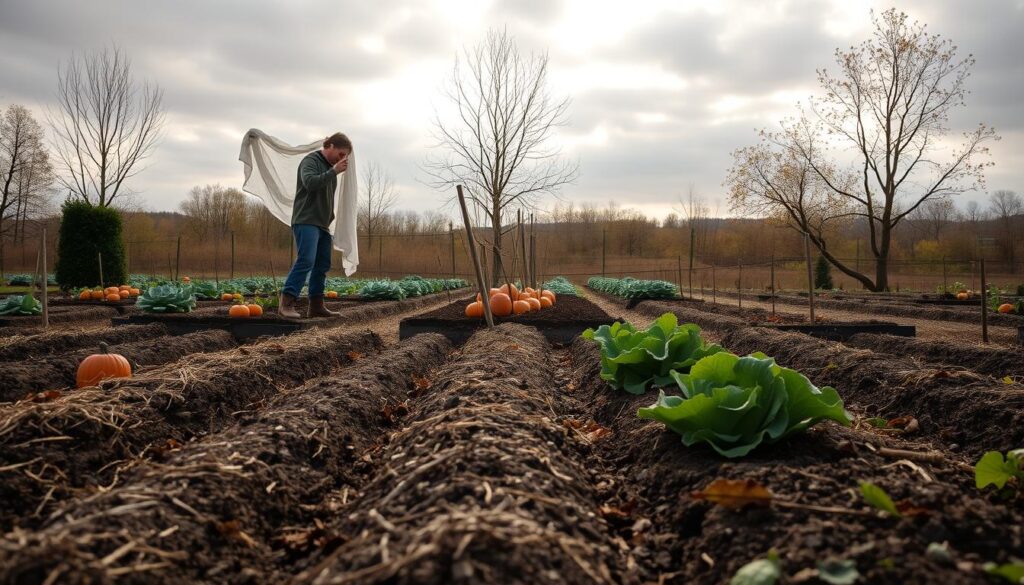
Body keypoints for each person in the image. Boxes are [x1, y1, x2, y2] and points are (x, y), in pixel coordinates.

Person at [279, 132, 351, 318]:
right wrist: (334, 171)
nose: (342, 159)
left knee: (322, 264)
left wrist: (330, 216)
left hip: (322, 224)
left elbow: (326, 198)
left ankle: (316, 305)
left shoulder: (330, 169)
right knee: (306, 260)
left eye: (346, 156)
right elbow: (310, 183)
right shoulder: (310, 161)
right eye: (341, 154)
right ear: (331, 146)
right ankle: (287, 302)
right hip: (306, 220)